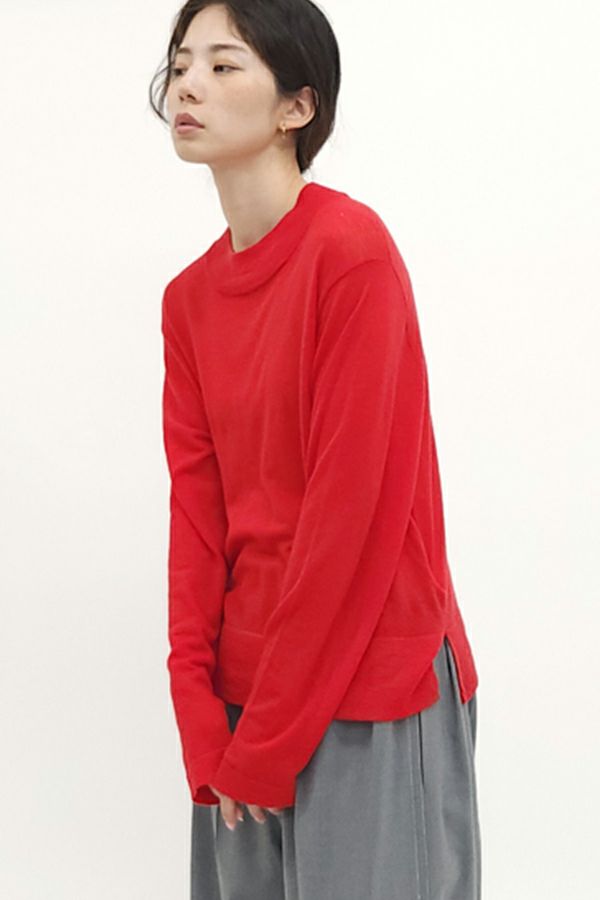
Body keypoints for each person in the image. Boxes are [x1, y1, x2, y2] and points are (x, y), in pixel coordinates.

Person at [150, 2, 482, 898]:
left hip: (370, 685)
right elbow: (197, 523)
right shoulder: (189, 301)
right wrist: (200, 719)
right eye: (181, 64)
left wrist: (268, 741)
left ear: (297, 106)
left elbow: (352, 523)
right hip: (246, 696)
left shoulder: (350, 254)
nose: (188, 84)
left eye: (223, 65)